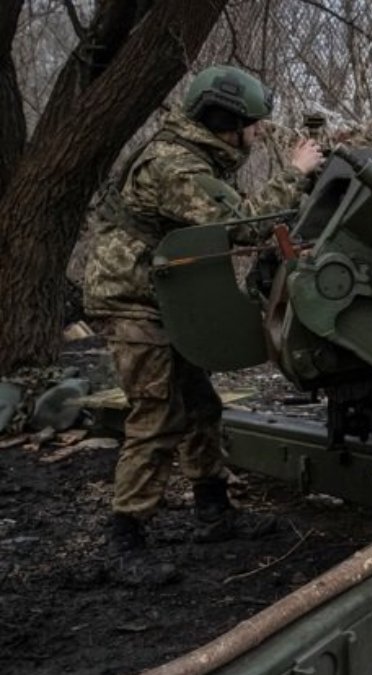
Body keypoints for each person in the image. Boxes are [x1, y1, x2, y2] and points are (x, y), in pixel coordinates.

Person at [83, 65, 324, 585]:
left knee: (201, 406)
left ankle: (214, 511)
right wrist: (295, 172)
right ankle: (124, 540)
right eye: (253, 124)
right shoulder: (175, 166)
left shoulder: (193, 155)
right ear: (223, 120)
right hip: (133, 301)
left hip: (164, 297)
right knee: (157, 416)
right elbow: (242, 223)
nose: (260, 133)